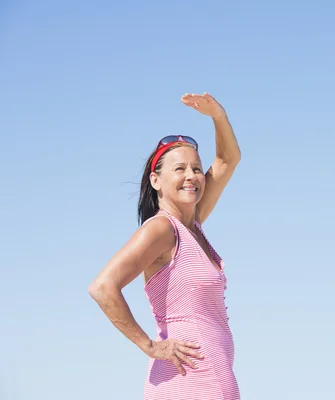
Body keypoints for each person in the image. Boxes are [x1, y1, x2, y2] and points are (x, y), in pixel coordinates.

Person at [88, 92, 242, 400]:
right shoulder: (161, 229)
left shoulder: (192, 225)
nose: (192, 176)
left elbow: (227, 161)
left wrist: (218, 115)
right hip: (191, 381)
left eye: (196, 168)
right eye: (180, 169)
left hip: (214, 375)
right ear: (156, 180)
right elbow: (103, 287)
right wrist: (149, 345)